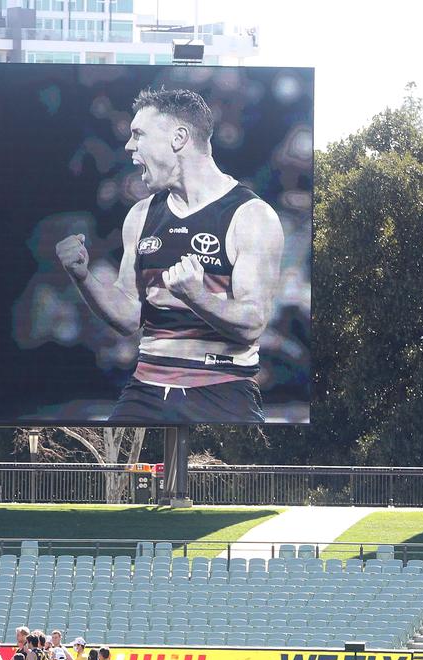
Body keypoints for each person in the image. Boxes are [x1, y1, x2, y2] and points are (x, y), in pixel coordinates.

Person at [56, 87, 284, 424]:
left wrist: (196, 296)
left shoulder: (251, 216)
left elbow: (252, 324)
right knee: (109, 471)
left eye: (139, 135)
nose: (129, 147)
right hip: (146, 388)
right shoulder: (141, 215)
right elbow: (127, 318)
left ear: (178, 138)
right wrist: (83, 277)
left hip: (223, 390)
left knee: (238, 476)